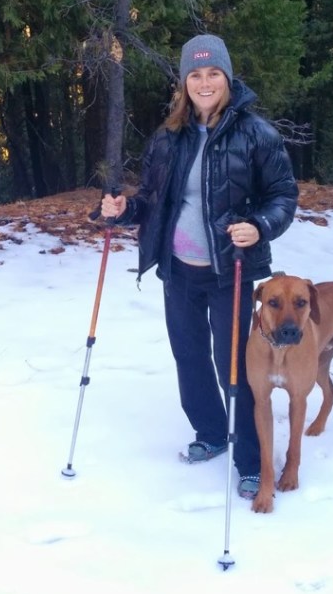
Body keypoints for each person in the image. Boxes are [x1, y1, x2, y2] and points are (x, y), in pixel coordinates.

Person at [99, 34, 299, 499]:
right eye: (195, 74)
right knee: (189, 357)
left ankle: (250, 459)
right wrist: (123, 210)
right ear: (184, 82)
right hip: (178, 269)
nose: (204, 82)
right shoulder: (169, 137)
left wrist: (260, 226)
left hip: (230, 268)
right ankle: (210, 433)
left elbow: (284, 196)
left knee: (234, 366)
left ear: (227, 78)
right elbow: (152, 200)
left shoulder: (256, 134)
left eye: (213, 74)